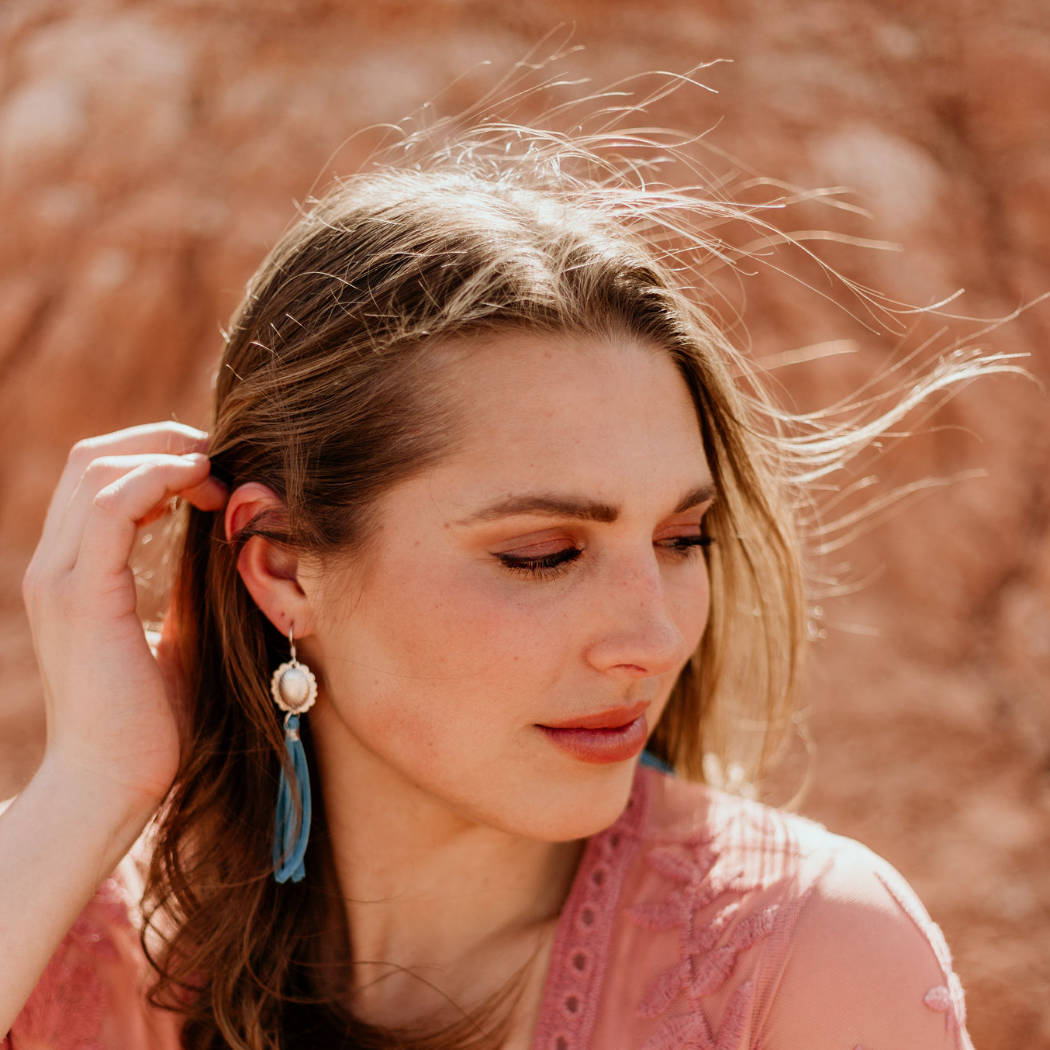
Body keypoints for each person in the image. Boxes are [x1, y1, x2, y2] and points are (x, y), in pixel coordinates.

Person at [1, 91, 990, 1050]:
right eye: (544, 554)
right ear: (285, 569)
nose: (650, 638)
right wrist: (89, 785)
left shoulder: (798, 963)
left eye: (681, 539)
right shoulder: (54, 938)